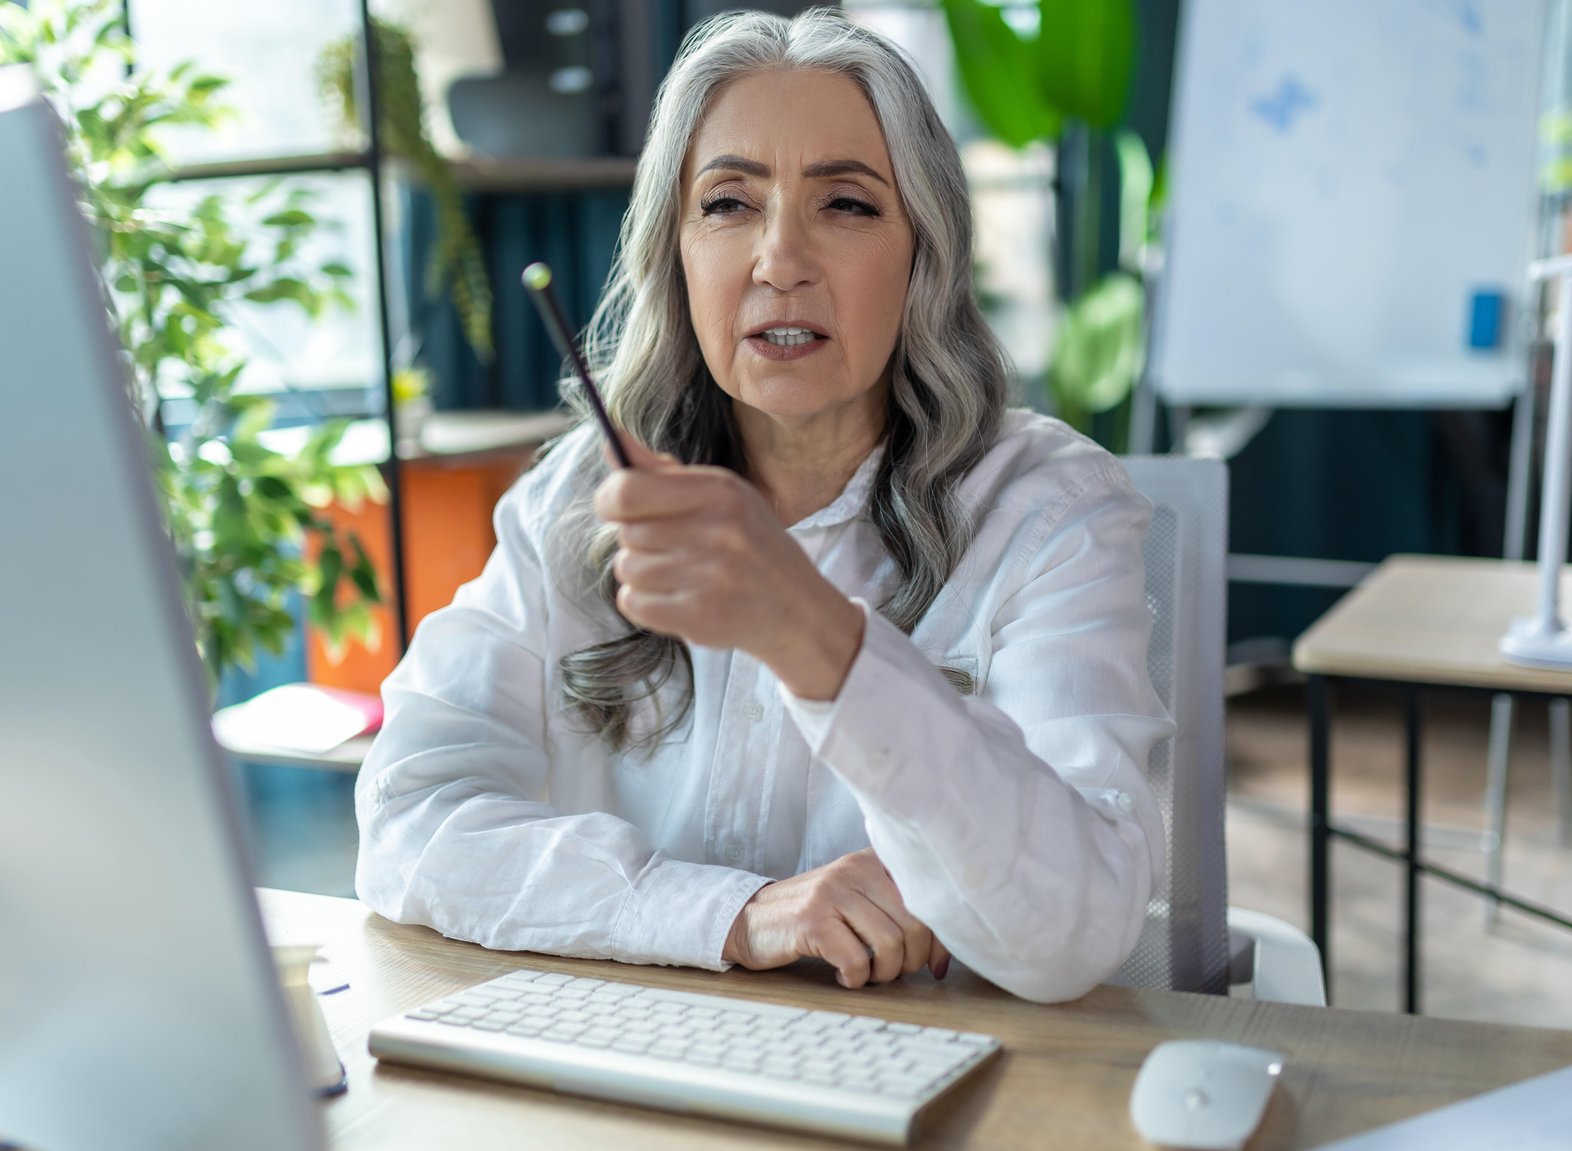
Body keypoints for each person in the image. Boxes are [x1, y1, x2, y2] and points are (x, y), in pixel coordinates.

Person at [354, 7, 1173, 1004]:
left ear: (923, 253)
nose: (779, 260)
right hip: (638, 1054)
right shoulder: (574, 498)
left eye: (847, 205)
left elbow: (1078, 930)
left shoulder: (1049, 510)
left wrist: (817, 636)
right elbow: (406, 815)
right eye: (729, 203)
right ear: (677, 251)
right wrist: (735, 914)